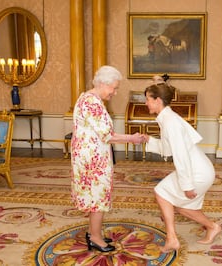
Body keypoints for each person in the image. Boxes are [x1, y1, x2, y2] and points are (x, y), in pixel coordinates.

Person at [71, 65, 144, 252]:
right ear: (103, 83)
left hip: (89, 156)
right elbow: (107, 135)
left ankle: (93, 232)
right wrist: (132, 139)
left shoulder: (86, 97)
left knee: (95, 195)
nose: (115, 92)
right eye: (114, 87)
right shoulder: (93, 103)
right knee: (98, 196)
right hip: (93, 160)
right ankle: (95, 238)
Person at [143, 82, 221, 253]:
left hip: (197, 172)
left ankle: (172, 239)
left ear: (157, 100)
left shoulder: (170, 121)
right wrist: (148, 140)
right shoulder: (167, 118)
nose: (146, 103)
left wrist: (187, 185)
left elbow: (180, 155)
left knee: (162, 192)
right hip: (198, 168)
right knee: (181, 206)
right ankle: (212, 227)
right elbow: (169, 148)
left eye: (148, 99)